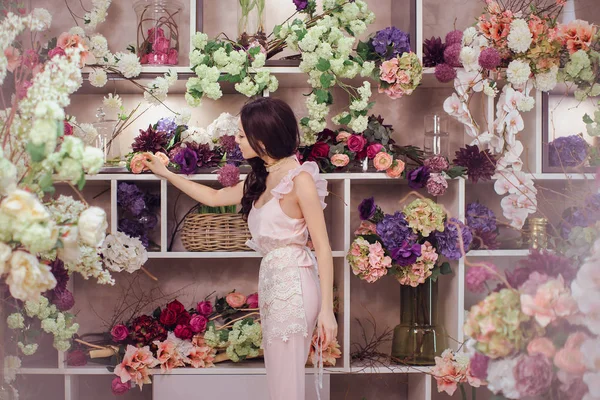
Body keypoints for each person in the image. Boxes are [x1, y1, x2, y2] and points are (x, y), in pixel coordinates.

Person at [142, 97, 338, 400]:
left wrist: (327, 311)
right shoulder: (261, 178)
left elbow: (323, 249)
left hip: (296, 286)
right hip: (274, 283)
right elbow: (212, 197)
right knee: (278, 381)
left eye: (243, 135)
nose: (237, 140)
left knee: (286, 384)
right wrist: (166, 174)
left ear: (263, 138)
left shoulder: (301, 180)